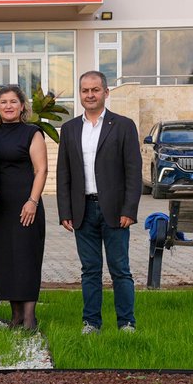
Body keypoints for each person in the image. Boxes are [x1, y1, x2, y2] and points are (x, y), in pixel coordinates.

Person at [56, 71, 142, 333]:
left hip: (115, 211)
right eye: (85, 90)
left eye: (95, 90)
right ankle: (91, 322)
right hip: (83, 210)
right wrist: (65, 211)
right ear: (80, 94)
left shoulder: (124, 125)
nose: (90, 95)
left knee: (120, 269)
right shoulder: (70, 129)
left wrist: (129, 209)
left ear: (106, 92)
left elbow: (133, 171)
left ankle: (126, 322)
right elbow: (64, 173)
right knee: (90, 270)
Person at [0, 85, 47, 332]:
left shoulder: (32, 133)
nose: (8, 106)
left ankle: (30, 318)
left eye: (13, 102)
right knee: (5, 259)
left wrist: (33, 201)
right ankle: (16, 316)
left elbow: (41, 170)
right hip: (0, 206)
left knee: (26, 257)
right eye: (3, 102)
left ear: (22, 106)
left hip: (25, 204)